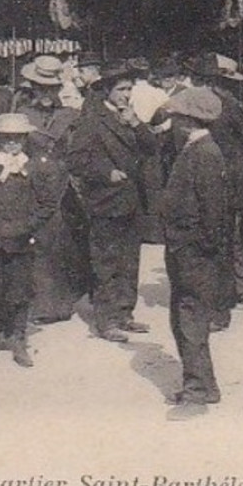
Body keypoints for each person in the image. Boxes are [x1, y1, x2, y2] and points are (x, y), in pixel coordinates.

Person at [0, 112, 63, 367]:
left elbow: (48, 203)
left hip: (21, 239)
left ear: (25, 139)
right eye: (7, 138)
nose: (12, 143)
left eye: (17, 138)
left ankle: (18, 339)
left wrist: (30, 226)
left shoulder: (33, 168)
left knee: (19, 290)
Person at [69, 59, 158, 341]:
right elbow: (76, 161)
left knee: (129, 260)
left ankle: (124, 314)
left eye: (129, 88)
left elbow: (152, 148)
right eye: (121, 89)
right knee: (106, 261)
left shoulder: (129, 116)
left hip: (132, 199)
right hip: (106, 199)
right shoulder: (92, 120)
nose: (126, 94)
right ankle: (106, 320)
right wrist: (106, 172)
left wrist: (137, 124)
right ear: (106, 90)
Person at [159, 87, 230, 406]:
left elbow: (213, 213)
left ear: (187, 121)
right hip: (186, 249)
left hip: (192, 252)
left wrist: (196, 249)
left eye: (175, 117)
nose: (172, 122)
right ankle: (201, 384)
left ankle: (198, 388)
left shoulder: (204, 153)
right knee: (185, 316)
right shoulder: (198, 149)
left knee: (190, 317)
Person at [16, 54, 89, 323]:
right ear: (32, 88)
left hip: (63, 183)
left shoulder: (70, 115)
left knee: (63, 241)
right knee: (37, 242)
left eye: (51, 88)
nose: (46, 93)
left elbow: (81, 149)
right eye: (40, 87)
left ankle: (63, 302)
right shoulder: (22, 115)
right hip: (31, 184)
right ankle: (40, 304)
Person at [187, 53, 243, 317]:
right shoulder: (231, 103)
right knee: (229, 236)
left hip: (222, 176)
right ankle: (241, 290)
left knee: (220, 236)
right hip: (231, 176)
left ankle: (224, 298)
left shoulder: (217, 105)